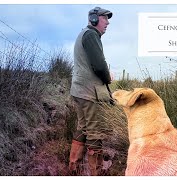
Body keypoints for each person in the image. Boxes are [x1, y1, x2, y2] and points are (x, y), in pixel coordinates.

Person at [68, 7, 113, 176]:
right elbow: (100, 65)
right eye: (105, 18)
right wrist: (108, 77)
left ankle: (74, 168)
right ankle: (96, 173)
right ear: (94, 19)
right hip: (88, 92)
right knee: (95, 131)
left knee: (82, 128)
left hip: (79, 90)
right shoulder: (91, 34)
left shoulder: (84, 34)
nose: (107, 22)